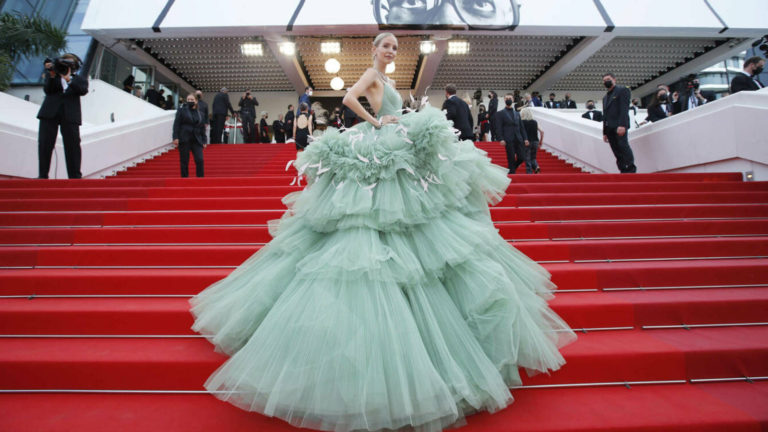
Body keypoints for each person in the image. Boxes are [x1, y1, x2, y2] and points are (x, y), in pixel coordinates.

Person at [189, 32, 575, 432]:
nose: (390, 51)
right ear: (374, 50)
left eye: (394, 47)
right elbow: (348, 100)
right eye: (385, 46)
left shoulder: (387, 80)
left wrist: (398, 118)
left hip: (395, 142)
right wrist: (378, 121)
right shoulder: (373, 74)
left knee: (417, 228)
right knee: (378, 228)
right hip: (381, 145)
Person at [37, 53, 88, 179]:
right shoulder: (52, 75)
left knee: (73, 145)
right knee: (45, 144)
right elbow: (48, 90)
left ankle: (75, 175)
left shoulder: (79, 78)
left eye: (70, 63)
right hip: (49, 113)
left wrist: (68, 79)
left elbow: (82, 90)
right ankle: (43, 175)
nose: (67, 66)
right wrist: (53, 75)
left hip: (70, 115)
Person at [602, 73, 636, 173]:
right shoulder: (605, 97)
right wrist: (604, 132)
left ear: (614, 79)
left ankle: (631, 169)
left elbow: (624, 109)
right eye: (604, 80)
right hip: (609, 128)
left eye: (608, 79)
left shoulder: (622, 90)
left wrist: (622, 125)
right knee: (616, 150)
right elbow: (605, 115)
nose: (606, 81)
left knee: (623, 146)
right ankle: (623, 170)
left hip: (619, 126)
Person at [495, 93, 531, 174]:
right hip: (508, 139)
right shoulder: (499, 113)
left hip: (519, 138)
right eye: (506, 98)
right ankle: (512, 174)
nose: (508, 100)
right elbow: (498, 127)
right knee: (511, 158)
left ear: (513, 100)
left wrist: (525, 138)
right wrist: (500, 139)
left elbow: (522, 127)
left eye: (510, 98)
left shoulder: (517, 113)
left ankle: (511, 169)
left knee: (522, 157)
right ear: (504, 100)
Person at [172, 93, 206, 177]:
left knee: (200, 159)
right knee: (184, 160)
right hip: (184, 138)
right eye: (188, 100)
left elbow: (202, 128)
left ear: (196, 101)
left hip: (197, 139)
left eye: (192, 100)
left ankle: (200, 178)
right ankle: (184, 179)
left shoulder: (201, 113)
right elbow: (176, 124)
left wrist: (204, 140)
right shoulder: (181, 110)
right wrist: (175, 137)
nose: (190, 101)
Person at [520, 107, 543, 174]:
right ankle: (536, 166)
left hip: (527, 141)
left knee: (527, 157)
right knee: (533, 157)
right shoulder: (535, 122)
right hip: (535, 141)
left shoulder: (522, 122)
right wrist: (541, 141)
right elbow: (542, 131)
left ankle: (529, 172)